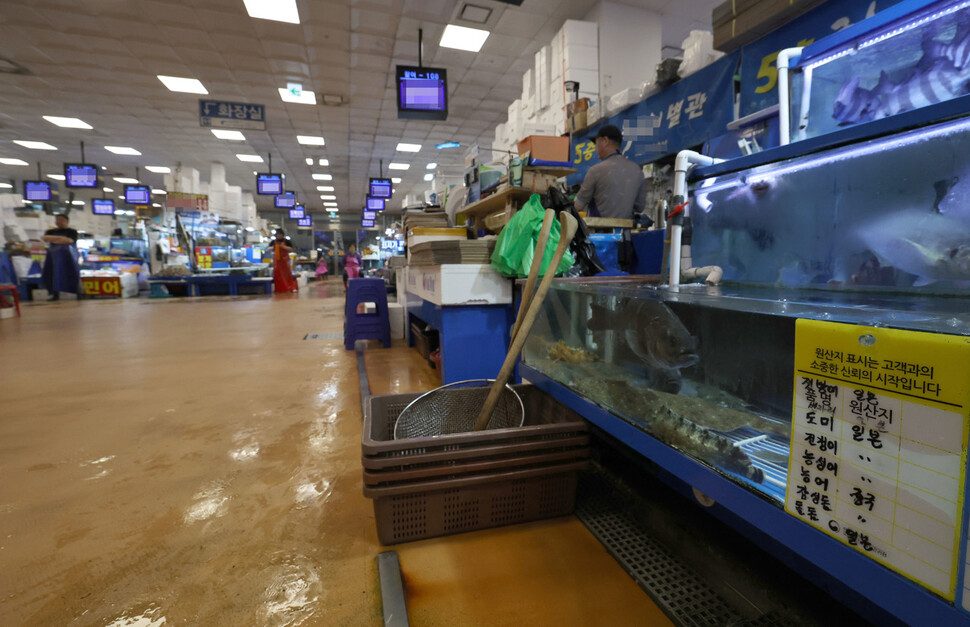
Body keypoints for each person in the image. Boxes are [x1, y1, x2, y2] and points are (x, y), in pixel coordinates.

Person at [573, 124, 647, 220]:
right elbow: (640, 207)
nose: (595, 148)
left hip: (599, 233)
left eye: (596, 143)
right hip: (625, 233)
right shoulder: (637, 170)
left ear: (605, 141)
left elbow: (578, 205)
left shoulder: (596, 171)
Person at [41, 213, 80, 301]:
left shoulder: (72, 232)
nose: (59, 222)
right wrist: (61, 239)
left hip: (69, 257)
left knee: (72, 274)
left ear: (67, 221)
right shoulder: (50, 231)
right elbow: (45, 238)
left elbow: (69, 240)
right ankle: (55, 294)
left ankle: (77, 293)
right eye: (57, 220)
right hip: (53, 257)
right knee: (53, 274)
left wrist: (54, 239)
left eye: (62, 220)